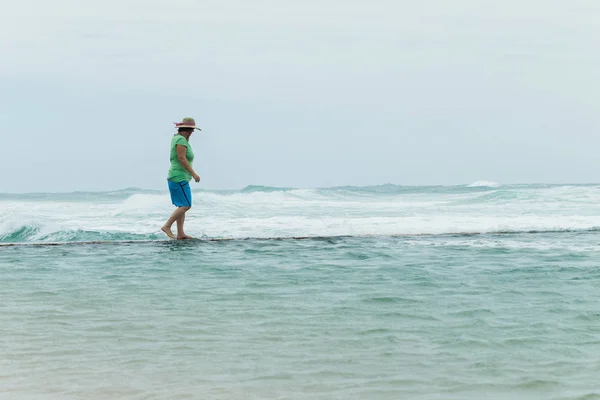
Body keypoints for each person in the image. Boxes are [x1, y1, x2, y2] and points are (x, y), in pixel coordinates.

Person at [161, 117, 201, 240]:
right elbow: (181, 158)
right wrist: (194, 174)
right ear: (185, 129)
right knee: (186, 205)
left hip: (178, 177)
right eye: (190, 130)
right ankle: (167, 226)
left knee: (182, 205)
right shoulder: (180, 140)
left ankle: (180, 233)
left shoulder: (179, 139)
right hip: (178, 177)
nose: (192, 133)